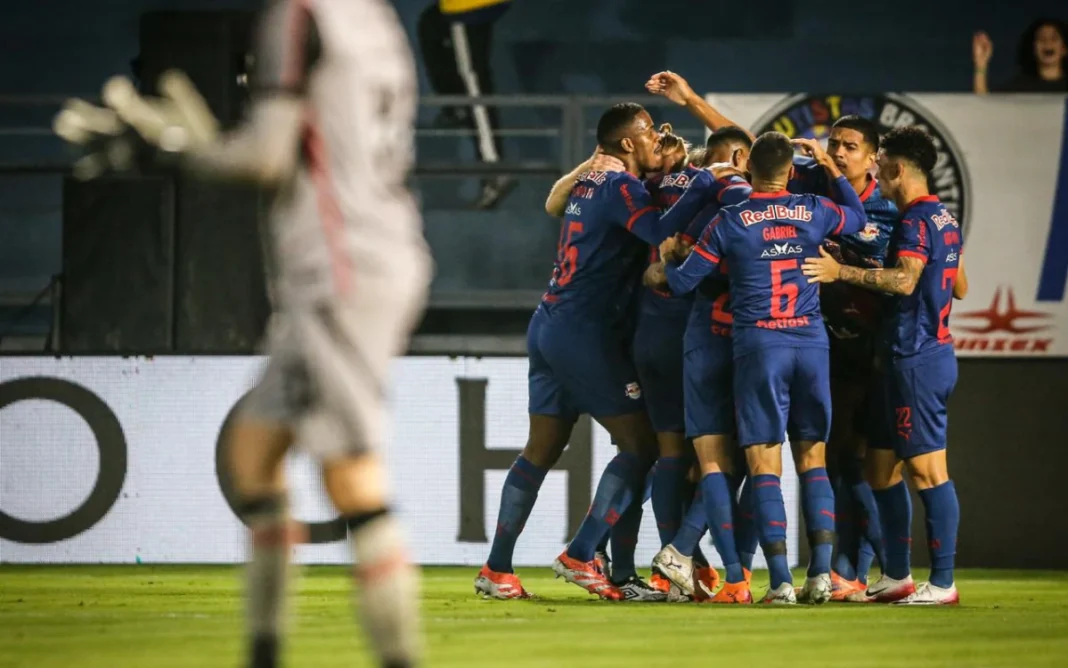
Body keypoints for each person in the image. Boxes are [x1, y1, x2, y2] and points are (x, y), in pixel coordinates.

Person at [61, 1, 433, 665]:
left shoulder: (299, 14)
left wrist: (162, 152)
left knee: (351, 478)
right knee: (253, 458)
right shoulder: (374, 21)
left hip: (340, 267)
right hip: (372, 249)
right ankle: (263, 653)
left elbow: (266, 156)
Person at [474, 103, 695, 602]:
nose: (654, 140)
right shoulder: (620, 187)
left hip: (548, 322)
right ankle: (581, 553)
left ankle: (497, 569)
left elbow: (554, 202)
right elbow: (662, 234)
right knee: (642, 444)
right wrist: (699, 183)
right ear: (624, 145)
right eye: (646, 135)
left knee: (542, 449)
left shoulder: (593, 183)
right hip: (584, 331)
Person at [655, 132, 867, 604]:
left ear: (748, 170)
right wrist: (832, 168)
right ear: (791, 172)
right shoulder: (814, 209)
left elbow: (686, 282)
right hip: (812, 344)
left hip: (759, 346)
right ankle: (821, 576)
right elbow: (858, 218)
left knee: (763, 464)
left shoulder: (731, 220)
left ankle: (779, 583)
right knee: (814, 461)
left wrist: (670, 259)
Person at [803, 126, 968, 605]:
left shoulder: (915, 221)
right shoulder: (943, 218)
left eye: (881, 166)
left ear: (895, 169)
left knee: (928, 472)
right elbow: (959, 286)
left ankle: (943, 583)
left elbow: (902, 281)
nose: (877, 173)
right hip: (899, 359)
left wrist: (841, 272)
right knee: (880, 470)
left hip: (918, 357)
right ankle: (897, 575)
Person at [645, 126, 756, 604]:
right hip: (732, 341)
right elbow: (661, 272)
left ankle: (695, 563)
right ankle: (706, 563)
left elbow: (658, 272)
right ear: (736, 157)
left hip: (708, 339)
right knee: (727, 462)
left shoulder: (691, 206)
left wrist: (674, 260)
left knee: (707, 462)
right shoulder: (745, 204)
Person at [788, 115, 895, 601]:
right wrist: (690, 101)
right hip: (823, 347)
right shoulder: (814, 183)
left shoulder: (890, 208)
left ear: (874, 157)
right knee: (832, 462)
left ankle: (877, 567)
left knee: (862, 466)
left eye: (850, 146)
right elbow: (752, 149)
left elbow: (904, 277)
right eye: (834, 144)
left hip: (871, 351)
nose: (839, 153)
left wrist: (841, 271)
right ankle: (840, 569)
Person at [417, 0, 516, 208]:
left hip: (464, 7)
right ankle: (456, 107)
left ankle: (494, 167)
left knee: (472, 80)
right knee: (431, 26)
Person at [973, 19, 1068, 94]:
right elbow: (985, 109)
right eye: (1041, 38)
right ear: (1033, 49)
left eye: (1053, 38)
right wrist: (981, 65)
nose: (1047, 42)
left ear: (1064, 49)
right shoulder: (1020, 87)